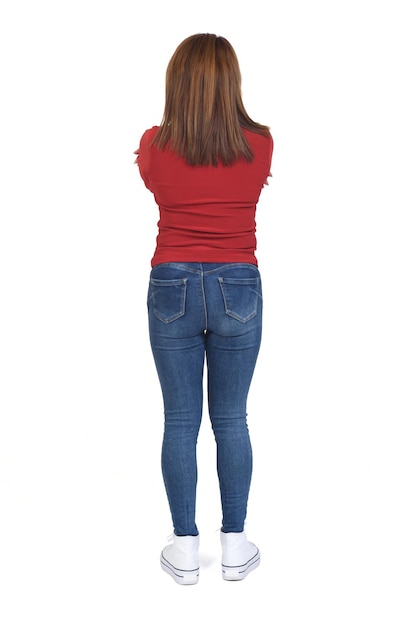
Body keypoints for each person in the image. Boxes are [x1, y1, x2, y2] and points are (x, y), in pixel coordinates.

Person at [134, 33, 273, 585]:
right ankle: (235, 546)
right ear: (231, 82)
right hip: (239, 280)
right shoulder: (260, 144)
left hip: (172, 283)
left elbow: (153, 179)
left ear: (178, 82)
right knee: (232, 418)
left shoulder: (152, 144)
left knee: (180, 419)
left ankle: (185, 549)